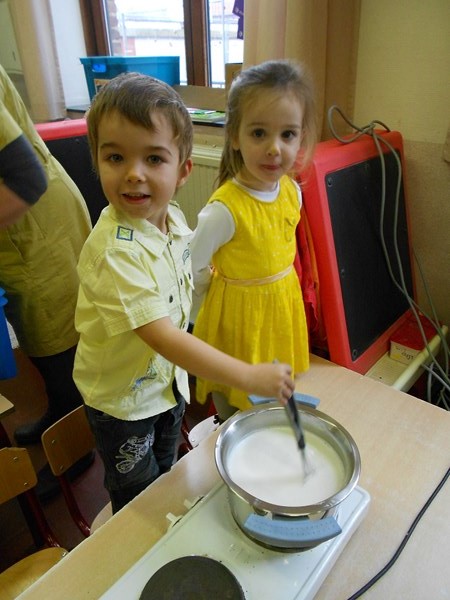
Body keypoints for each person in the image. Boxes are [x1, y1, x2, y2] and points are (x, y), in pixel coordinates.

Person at [73, 72, 295, 513]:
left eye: (154, 159)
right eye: (115, 157)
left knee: (167, 474)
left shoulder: (173, 219)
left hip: (165, 386)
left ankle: (165, 518)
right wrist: (245, 375)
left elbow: (187, 285)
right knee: (137, 499)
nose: (133, 174)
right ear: (97, 161)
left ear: (182, 171)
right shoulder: (114, 251)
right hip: (123, 405)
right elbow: (163, 336)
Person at [190, 59, 317, 421]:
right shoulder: (224, 210)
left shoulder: (292, 191)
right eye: (259, 133)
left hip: (280, 312)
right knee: (236, 408)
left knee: (273, 401)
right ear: (235, 136)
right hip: (237, 321)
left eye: (287, 134)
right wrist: (210, 307)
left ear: (301, 137)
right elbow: (192, 267)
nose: (274, 148)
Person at [0, 65, 93, 493]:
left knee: (57, 346)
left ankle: (75, 452)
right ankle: (58, 417)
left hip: (33, 223)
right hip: (29, 224)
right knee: (41, 340)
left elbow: (24, 177)